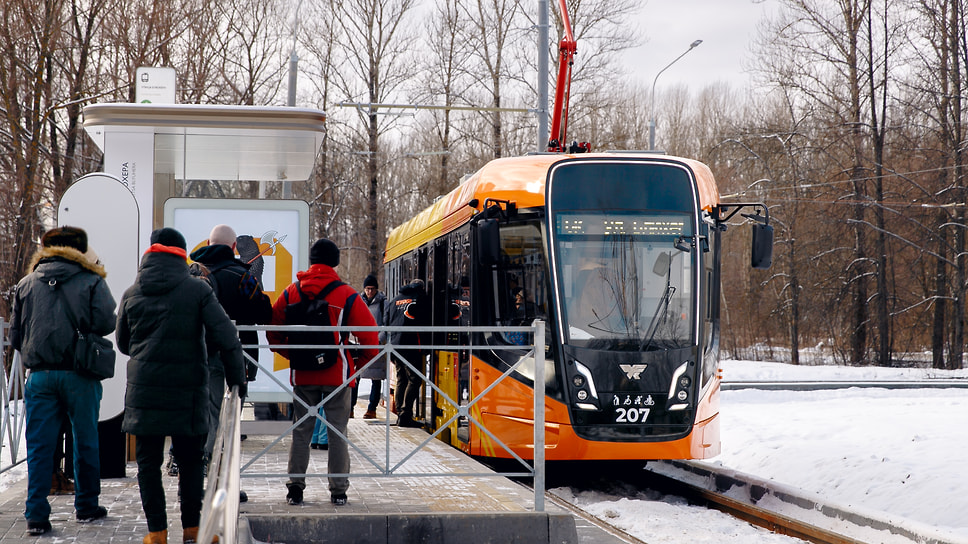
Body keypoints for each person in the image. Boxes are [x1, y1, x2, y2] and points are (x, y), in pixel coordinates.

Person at [116, 227, 246, 544]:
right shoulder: (198, 291)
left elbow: (123, 343)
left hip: (144, 392)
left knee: (148, 465)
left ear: (151, 253)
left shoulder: (132, 293)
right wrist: (237, 382)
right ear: (182, 253)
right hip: (189, 391)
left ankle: (157, 533)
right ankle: (192, 531)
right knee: (190, 461)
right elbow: (227, 337)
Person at [10, 227, 116, 536]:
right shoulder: (92, 281)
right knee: (85, 441)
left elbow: (16, 335)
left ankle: (36, 516)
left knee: (40, 446)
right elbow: (107, 322)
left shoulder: (26, 284)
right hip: (80, 374)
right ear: (80, 250)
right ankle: (86, 506)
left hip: (40, 376)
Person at [266, 238, 379, 507]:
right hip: (336, 375)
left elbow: (273, 332)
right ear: (335, 262)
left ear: (311, 261)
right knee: (337, 432)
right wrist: (355, 366)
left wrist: (292, 355)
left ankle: (295, 488)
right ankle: (338, 491)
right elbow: (371, 339)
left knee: (301, 432)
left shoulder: (290, 293)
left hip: (303, 376)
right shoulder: (346, 294)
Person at [188, 224, 272, 497]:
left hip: (202, 353)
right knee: (232, 419)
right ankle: (222, 481)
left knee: (209, 414)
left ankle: (201, 474)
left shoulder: (193, 273)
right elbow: (263, 312)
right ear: (234, 247)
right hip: (239, 355)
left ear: (209, 243)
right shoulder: (243, 276)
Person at [384, 279, 429, 428]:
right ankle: (405, 414)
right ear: (421, 288)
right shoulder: (420, 299)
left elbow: (386, 322)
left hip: (395, 346)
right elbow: (425, 322)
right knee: (415, 379)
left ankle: (399, 414)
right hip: (411, 345)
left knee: (402, 379)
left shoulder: (395, 300)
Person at [359, 274, 387, 420]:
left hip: (376, 345)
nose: (369, 292)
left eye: (372, 289)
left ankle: (371, 409)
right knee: (355, 376)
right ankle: (350, 408)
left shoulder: (383, 303)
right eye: (367, 289)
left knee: (376, 378)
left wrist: (378, 340)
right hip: (360, 343)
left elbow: (386, 324)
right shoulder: (358, 300)